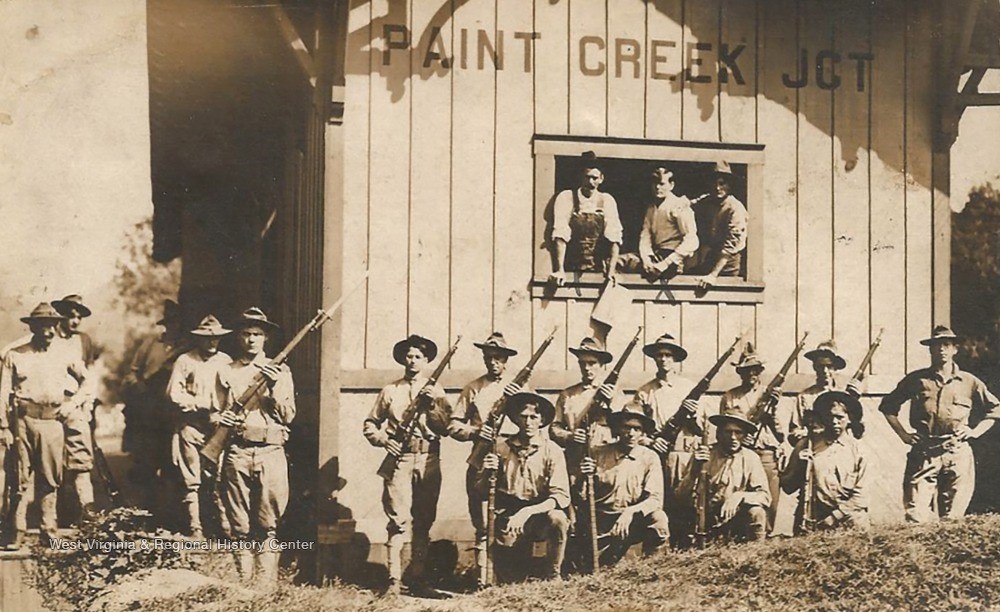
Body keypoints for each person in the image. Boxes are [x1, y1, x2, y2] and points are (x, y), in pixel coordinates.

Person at [878, 325, 1000, 523]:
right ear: (930, 349)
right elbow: (888, 407)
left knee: (952, 518)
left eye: (946, 345)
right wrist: (904, 435)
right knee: (915, 515)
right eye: (936, 345)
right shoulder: (916, 380)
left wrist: (975, 432)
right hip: (924, 452)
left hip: (956, 452)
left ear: (955, 349)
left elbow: (995, 409)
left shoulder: (969, 381)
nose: (941, 349)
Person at [363, 334, 451, 595]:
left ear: (426, 361)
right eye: (409, 356)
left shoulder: (437, 391)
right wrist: (382, 441)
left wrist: (433, 403)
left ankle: (419, 578)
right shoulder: (391, 390)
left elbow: (445, 427)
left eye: (418, 357)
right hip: (400, 458)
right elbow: (370, 423)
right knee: (397, 521)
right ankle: (393, 580)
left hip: (429, 458)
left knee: (423, 521)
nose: (412, 361)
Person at [0, 303, 89, 547]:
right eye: (43, 327)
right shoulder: (15, 355)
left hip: (52, 422)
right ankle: (16, 532)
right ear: (33, 328)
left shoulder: (65, 354)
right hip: (23, 422)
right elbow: (3, 392)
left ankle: (49, 531)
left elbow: (87, 381)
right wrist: (4, 428)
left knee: (50, 478)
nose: (48, 332)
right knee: (19, 478)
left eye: (52, 326)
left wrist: (74, 404)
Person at [216, 308, 295, 581]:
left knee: (268, 523)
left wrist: (272, 389)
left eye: (257, 334)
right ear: (238, 337)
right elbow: (215, 411)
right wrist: (220, 417)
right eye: (246, 333)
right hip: (237, 450)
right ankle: (244, 585)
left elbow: (289, 416)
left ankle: (265, 586)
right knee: (239, 524)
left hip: (270, 451)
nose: (251, 339)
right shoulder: (226, 371)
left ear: (266, 338)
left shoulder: (280, 371)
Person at [448, 332, 521, 585]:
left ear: (506, 360)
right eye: (489, 357)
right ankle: (483, 579)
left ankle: (508, 578)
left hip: (512, 459)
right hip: (481, 457)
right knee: (481, 521)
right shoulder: (473, 388)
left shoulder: (519, 387)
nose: (493, 363)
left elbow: (535, 422)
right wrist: (477, 431)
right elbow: (453, 425)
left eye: (498, 358)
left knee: (509, 517)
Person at [479, 391, 570, 583]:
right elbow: (481, 492)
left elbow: (560, 497)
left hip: (539, 514)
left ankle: (553, 575)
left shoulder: (552, 450)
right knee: (512, 581)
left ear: (542, 420)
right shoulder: (501, 448)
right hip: (510, 516)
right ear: (516, 419)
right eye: (523, 417)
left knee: (559, 518)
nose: (528, 422)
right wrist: (487, 471)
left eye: (533, 417)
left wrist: (527, 512)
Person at [550, 337, 625, 564]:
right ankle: (574, 563)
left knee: (603, 508)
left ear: (601, 365)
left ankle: (604, 562)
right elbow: (554, 428)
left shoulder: (614, 393)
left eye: (592, 363)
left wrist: (611, 404)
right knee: (575, 509)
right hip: (575, 460)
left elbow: (625, 427)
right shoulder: (567, 395)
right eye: (583, 363)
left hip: (605, 461)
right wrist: (570, 436)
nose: (587, 368)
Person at [630, 333, 706, 548]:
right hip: (657, 453)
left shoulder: (688, 388)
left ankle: (686, 548)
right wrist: (650, 442)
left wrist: (692, 416)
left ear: (675, 360)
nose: (663, 359)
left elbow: (701, 428)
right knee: (661, 501)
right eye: (659, 355)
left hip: (684, 454)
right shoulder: (645, 391)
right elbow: (636, 428)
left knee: (686, 500)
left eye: (668, 355)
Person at [167, 315, 232, 538]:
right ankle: (196, 527)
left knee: (219, 478)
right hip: (192, 427)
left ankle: (225, 527)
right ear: (199, 339)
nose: (212, 342)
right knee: (191, 480)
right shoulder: (185, 361)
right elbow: (174, 393)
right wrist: (197, 405)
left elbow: (234, 394)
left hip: (218, 429)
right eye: (207, 338)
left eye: (216, 338)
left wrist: (223, 414)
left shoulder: (226, 361)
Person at [578, 409, 669, 566]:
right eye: (626, 427)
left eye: (637, 429)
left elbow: (655, 499)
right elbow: (580, 496)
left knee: (658, 519)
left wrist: (630, 512)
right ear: (617, 429)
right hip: (601, 522)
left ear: (642, 433)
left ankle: (653, 567)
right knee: (594, 566)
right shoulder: (597, 453)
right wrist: (582, 476)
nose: (631, 433)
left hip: (633, 520)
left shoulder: (649, 457)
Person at [122, 299, 186, 513]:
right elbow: (132, 372)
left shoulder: (186, 348)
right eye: (170, 323)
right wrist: (140, 387)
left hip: (173, 413)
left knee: (173, 464)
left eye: (178, 322)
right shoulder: (151, 344)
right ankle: (146, 511)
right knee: (147, 462)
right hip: (149, 412)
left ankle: (171, 512)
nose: (173, 327)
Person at [781, 390, 869, 533]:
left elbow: (862, 496)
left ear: (850, 419)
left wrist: (834, 518)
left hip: (849, 520)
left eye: (839, 417)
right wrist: (800, 467)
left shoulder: (858, 450)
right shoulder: (806, 445)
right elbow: (787, 486)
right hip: (811, 520)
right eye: (830, 416)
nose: (834, 421)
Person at [717, 343, 783, 530]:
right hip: (737, 456)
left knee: (767, 503)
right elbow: (723, 428)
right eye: (747, 371)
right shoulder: (730, 396)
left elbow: (781, 435)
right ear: (740, 373)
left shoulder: (768, 394)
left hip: (764, 454)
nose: (751, 375)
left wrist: (772, 411)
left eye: (755, 370)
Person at [678, 412, 770, 543]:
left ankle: (755, 554)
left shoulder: (751, 458)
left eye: (738, 432)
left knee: (757, 512)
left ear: (744, 436)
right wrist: (694, 470)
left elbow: (765, 496)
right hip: (705, 519)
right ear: (719, 434)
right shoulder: (704, 455)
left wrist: (739, 496)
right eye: (728, 432)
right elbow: (680, 496)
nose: (733, 437)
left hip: (735, 519)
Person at [51, 294, 100, 523]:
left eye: (79, 317)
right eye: (71, 316)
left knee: (81, 460)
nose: (75, 321)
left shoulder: (83, 340)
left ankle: (86, 511)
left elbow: (89, 375)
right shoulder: (48, 338)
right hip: (50, 406)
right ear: (60, 315)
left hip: (75, 404)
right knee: (52, 461)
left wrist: (87, 405)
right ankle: (57, 514)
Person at [548, 151, 623, 285]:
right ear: (580, 177)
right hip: (571, 266)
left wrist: (611, 271)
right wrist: (560, 269)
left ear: (601, 178)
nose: (590, 182)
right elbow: (560, 235)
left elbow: (615, 237)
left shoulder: (607, 200)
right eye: (586, 177)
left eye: (594, 178)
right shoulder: (567, 197)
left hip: (598, 268)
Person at [627, 167, 699, 281]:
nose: (657, 187)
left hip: (674, 259)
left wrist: (666, 263)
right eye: (655, 184)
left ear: (671, 185)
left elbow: (692, 240)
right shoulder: (651, 208)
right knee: (621, 262)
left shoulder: (679, 205)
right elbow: (645, 236)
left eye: (662, 184)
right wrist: (646, 259)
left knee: (626, 262)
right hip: (656, 256)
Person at [695, 161, 748, 289]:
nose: (717, 188)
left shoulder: (735, 208)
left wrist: (713, 275)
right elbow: (688, 205)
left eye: (722, 183)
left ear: (729, 185)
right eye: (714, 183)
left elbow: (732, 244)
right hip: (709, 260)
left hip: (727, 265)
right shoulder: (707, 201)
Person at [787, 340, 850, 447]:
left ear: (835, 368)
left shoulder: (845, 396)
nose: (825, 371)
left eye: (829, 366)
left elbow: (856, 431)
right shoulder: (805, 397)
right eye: (821, 366)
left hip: (839, 450)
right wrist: (800, 434)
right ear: (815, 367)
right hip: (814, 449)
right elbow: (795, 430)